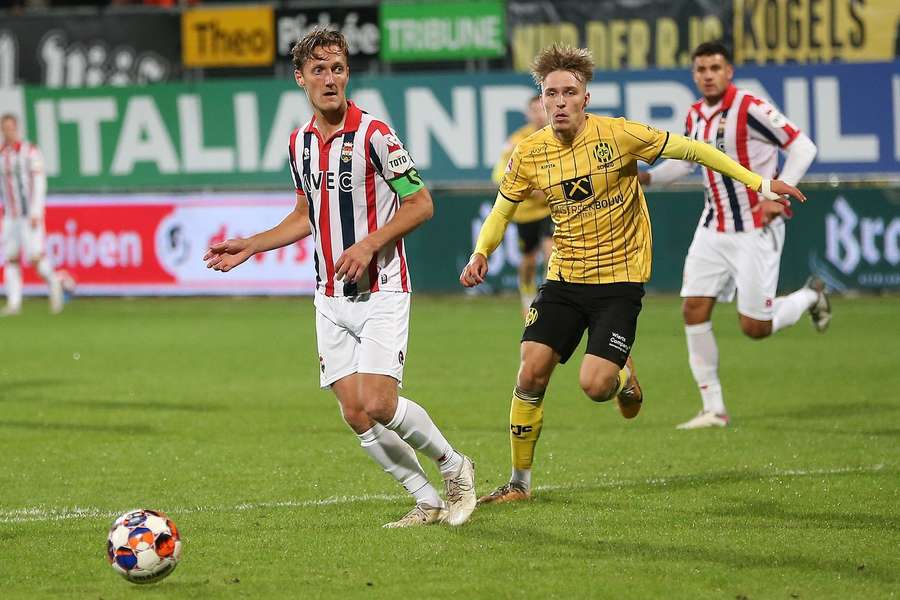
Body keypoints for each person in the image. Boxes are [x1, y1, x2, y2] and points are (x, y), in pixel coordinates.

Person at [460, 43, 806, 504]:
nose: (559, 102)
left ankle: (624, 376)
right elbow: (503, 211)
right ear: (541, 102)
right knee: (530, 372)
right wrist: (481, 252)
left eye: (569, 92)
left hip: (618, 283)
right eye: (551, 94)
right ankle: (519, 483)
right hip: (564, 278)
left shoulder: (621, 135)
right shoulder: (529, 154)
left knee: (594, 385)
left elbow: (696, 150)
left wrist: (760, 183)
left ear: (585, 98)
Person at [204, 29, 476, 528]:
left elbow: (421, 204)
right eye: (319, 70)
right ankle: (426, 499)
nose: (330, 79)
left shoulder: (376, 135)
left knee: (379, 402)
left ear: (348, 73)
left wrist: (371, 242)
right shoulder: (299, 145)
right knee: (355, 412)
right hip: (329, 296)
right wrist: (250, 245)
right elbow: (306, 214)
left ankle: (454, 465)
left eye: (338, 68)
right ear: (300, 78)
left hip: (382, 287)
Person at [638, 41, 830, 430]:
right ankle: (714, 408)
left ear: (729, 72)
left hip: (754, 231)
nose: (707, 74)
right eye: (700, 69)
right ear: (693, 74)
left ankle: (812, 295)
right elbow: (688, 163)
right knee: (693, 308)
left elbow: (802, 146)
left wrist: (778, 190)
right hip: (712, 227)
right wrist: (650, 177)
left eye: (715, 67)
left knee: (754, 327)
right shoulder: (694, 115)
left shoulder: (750, 107)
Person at [491, 95, 553, 314]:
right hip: (525, 213)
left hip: (550, 208)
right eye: (534, 110)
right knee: (528, 260)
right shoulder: (517, 140)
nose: (538, 115)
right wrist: (528, 190)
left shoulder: (559, 135)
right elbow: (499, 174)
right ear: (528, 114)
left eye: (541, 109)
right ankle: (527, 292)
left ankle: (548, 299)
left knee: (551, 253)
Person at [1, 113, 64, 315]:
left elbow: (39, 182)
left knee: (35, 258)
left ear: (17, 129)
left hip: (29, 215)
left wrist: (37, 210)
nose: (7, 132)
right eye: (4, 128)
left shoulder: (30, 152)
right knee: (10, 257)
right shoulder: (2, 154)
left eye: (11, 128)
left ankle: (54, 283)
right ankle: (14, 302)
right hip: (10, 215)